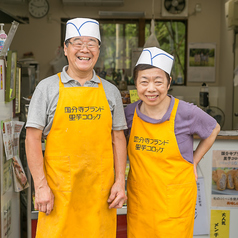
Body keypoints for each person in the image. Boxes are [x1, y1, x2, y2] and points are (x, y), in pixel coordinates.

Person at [25, 17, 127, 238]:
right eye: (77, 42)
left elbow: (118, 138)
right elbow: (32, 138)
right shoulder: (47, 88)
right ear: (65, 48)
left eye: (92, 43)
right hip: (58, 194)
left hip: (100, 196)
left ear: (98, 50)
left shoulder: (111, 92)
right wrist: (40, 186)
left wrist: (120, 181)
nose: (85, 49)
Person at [124, 47, 220, 238]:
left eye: (158, 81)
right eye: (144, 81)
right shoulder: (129, 113)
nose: (151, 88)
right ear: (136, 83)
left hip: (175, 203)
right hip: (140, 202)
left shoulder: (186, 112)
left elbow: (213, 128)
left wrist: (194, 160)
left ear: (168, 83)